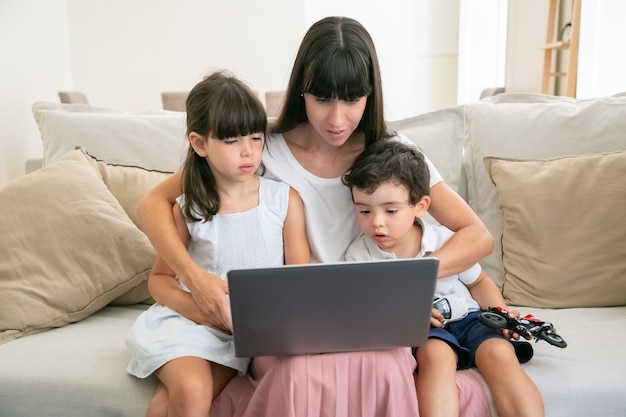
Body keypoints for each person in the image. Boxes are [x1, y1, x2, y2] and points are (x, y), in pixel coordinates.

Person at [137, 16, 494, 416]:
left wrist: (407, 280)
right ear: (300, 92)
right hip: (292, 324)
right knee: (299, 373)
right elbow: (154, 204)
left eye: (352, 100)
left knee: (384, 367)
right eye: (323, 99)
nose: (337, 120)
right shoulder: (258, 149)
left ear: (370, 95)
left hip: (370, 320)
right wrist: (195, 279)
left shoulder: (391, 153)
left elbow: (476, 235)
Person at [125, 70, 310, 417]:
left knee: (167, 404)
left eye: (256, 138)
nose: (248, 152)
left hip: (239, 334)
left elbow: (298, 282)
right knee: (192, 388)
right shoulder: (191, 207)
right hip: (187, 324)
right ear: (199, 144)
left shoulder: (284, 201)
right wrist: (198, 310)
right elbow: (159, 281)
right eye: (231, 141)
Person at [342, 139, 544, 417]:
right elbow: (365, 308)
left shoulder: (446, 241)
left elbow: (478, 282)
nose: (376, 222)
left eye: (390, 210)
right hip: (426, 330)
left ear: (420, 206)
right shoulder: (359, 255)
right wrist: (407, 315)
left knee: (500, 354)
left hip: (471, 319)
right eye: (364, 210)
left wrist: (502, 314)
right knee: (435, 357)